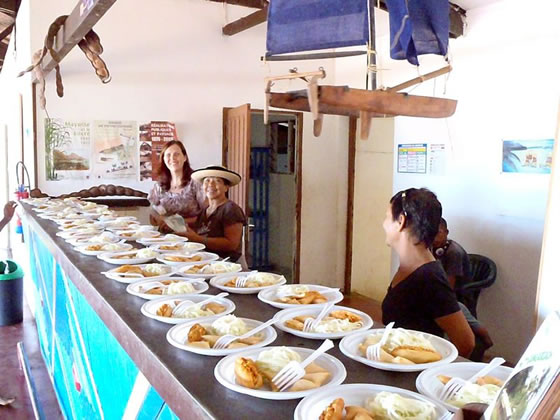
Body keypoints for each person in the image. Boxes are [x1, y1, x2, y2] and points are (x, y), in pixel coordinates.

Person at [381, 188, 475, 358]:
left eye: (387, 218)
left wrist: (430, 371)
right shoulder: (410, 265)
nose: (384, 224)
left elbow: (466, 342)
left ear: (401, 221)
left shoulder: (428, 277)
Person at [432, 218, 494, 361]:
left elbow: (449, 288)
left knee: (458, 311)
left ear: (446, 232)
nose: (434, 237)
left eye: (438, 233)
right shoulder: (435, 249)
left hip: (460, 296)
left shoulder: (454, 253)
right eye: (432, 233)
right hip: (445, 293)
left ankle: (486, 340)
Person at [181, 165, 246, 262]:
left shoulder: (231, 209)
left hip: (227, 265)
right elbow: (196, 229)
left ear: (226, 187)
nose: (211, 184)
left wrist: (197, 239)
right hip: (207, 261)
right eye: (207, 180)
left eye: (217, 181)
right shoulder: (205, 210)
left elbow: (232, 244)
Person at [148, 140, 205, 231]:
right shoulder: (159, 185)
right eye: (168, 155)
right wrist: (159, 220)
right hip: (166, 236)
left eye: (176, 154)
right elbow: (153, 213)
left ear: (185, 157)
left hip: (192, 236)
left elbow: (207, 215)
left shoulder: (196, 182)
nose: (172, 158)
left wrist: (175, 224)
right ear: (163, 159)